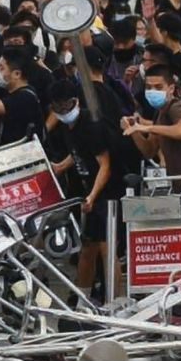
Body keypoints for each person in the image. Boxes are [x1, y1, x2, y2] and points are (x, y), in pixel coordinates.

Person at [49, 79, 124, 304]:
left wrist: (92, 195)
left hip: (108, 194)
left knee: (107, 248)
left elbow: (105, 165)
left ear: (77, 102)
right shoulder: (68, 127)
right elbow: (79, 152)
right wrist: (61, 166)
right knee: (88, 247)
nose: (63, 111)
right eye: (58, 108)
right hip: (89, 193)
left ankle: (114, 301)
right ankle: (83, 298)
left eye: (67, 106)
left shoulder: (92, 125)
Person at [122, 64, 181, 187]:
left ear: (171, 88)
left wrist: (147, 127)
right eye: (148, 87)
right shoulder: (159, 112)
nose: (152, 91)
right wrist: (133, 129)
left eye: (158, 87)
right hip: (173, 184)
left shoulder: (177, 107)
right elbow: (149, 150)